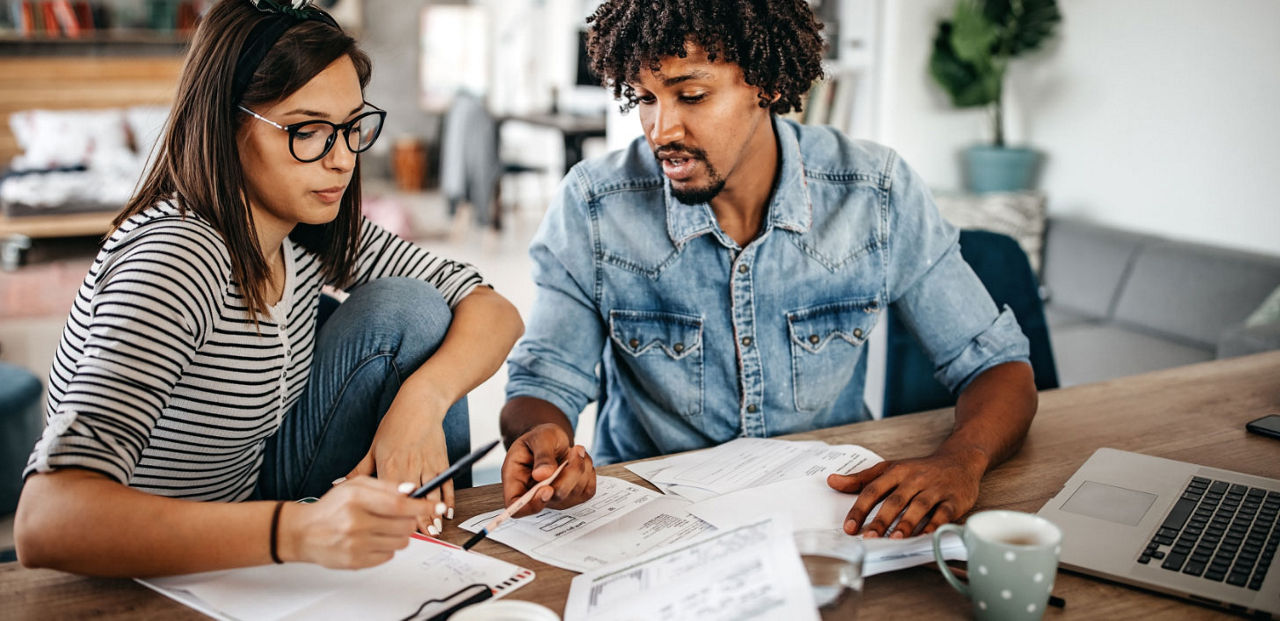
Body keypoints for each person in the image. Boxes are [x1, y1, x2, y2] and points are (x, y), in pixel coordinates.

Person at [15, 0, 523, 576]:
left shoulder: (308, 229)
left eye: (353, 128)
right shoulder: (176, 258)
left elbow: (493, 308)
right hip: (153, 558)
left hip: (254, 498)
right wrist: (299, 530)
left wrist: (421, 401)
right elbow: (44, 520)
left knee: (417, 311)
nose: (342, 161)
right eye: (307, 132)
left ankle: (432, 570)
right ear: (225, 123)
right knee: (410, 310)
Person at [498, 0, 1037, 539]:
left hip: (833, 519)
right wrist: (544, 439)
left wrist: (962, 460)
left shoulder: (874, 192)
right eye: (645, 99)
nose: (661, 130)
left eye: (691, 95)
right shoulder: (595, 206)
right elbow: (544, 380)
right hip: (652, 523)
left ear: (766, 85)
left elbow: (997, 367)